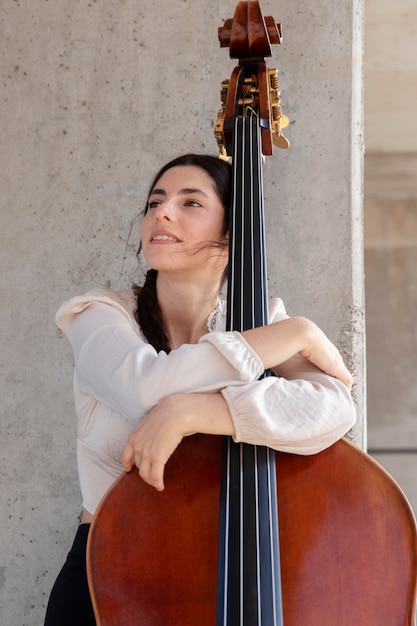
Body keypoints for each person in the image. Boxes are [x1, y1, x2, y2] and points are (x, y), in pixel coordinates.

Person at [44, 153, 355, 625]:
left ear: (233, 234)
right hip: (109, 569)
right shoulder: (99, 315)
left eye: (190, 202)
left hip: (222, 567)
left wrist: (197, 414)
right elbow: (145, 388)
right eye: (155, 202)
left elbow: (334, 408)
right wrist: (298, 334)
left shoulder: (258, 320)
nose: (161, 213)